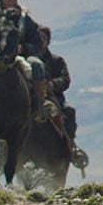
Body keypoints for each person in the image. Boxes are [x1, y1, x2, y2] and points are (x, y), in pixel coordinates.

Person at [36, 26, 88, 167]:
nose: (40, 41)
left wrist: (52, 85)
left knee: (69, 112)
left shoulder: (56, 60)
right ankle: (3, 152)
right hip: (31, 98)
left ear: (48, 41)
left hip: (53, 98)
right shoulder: (26, 60)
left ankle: (70, 147)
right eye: (37, 38)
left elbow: (65, 79)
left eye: (43, 38)